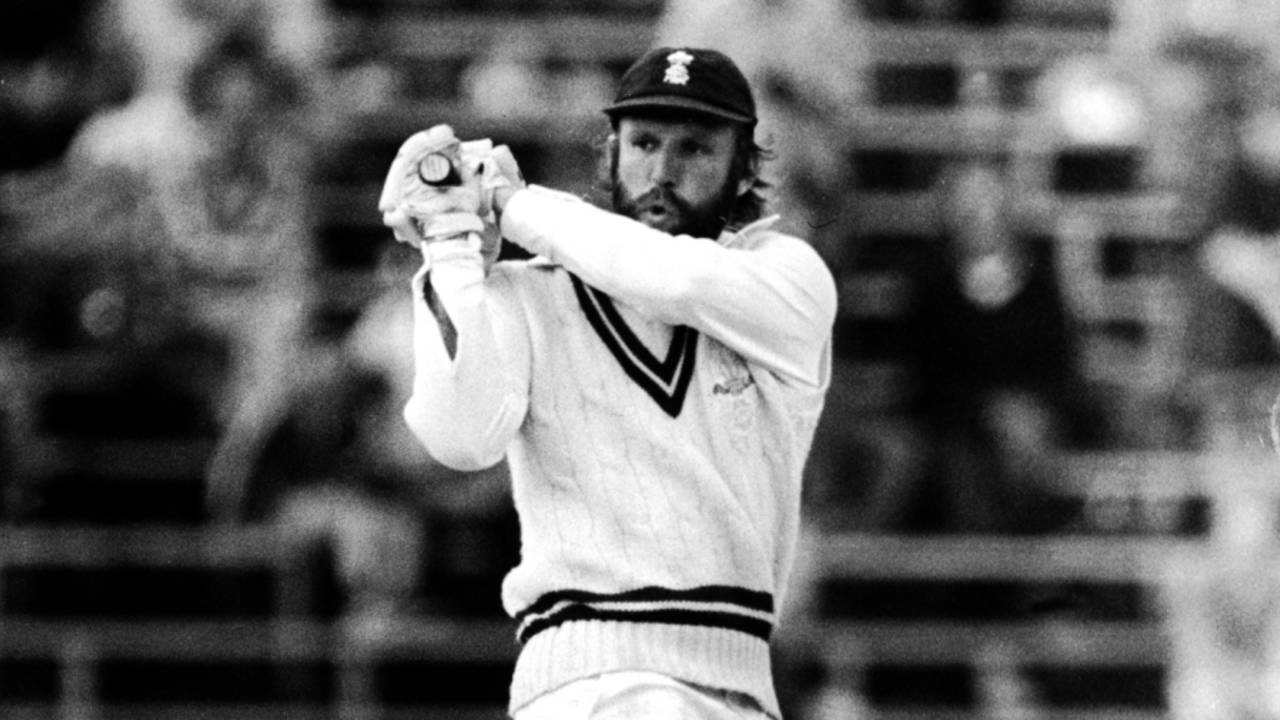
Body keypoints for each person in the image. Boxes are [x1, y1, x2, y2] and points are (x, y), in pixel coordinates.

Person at [379, 47, 837, 720]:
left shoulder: (785, 278)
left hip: (732, 685)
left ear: (744, 170)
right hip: (573, 684)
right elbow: (460, 438)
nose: (662, 172)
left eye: (695, 149)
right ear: (610, 153)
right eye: (644, 143)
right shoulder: (532, 293)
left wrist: (512, 202)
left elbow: (677, 280)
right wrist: (449, 247)